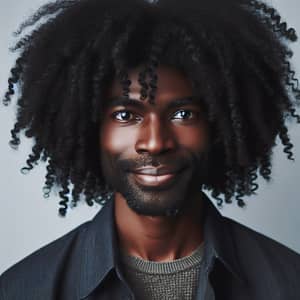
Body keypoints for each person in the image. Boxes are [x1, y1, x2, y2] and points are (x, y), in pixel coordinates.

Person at [1, 0, 300, 299]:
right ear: (88, 128)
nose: (155, 143)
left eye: (183, 114)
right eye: (125, 115)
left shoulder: (288, 283)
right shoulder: (24, 290)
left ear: (221, 128)